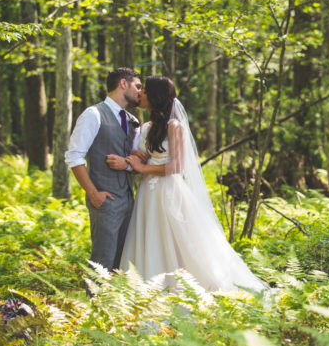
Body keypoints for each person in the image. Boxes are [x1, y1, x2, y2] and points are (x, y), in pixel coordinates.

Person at [118, 76, 266, 294]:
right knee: (151, 237)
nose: (141, 94)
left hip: (168, 190)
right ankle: (148, 289)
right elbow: (153, 156)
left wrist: (142, 169)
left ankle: (185, 286)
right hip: (147, 194)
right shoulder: (147, 126)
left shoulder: (174, 126)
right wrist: (138, 156)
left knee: (180, 240)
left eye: (146, 91)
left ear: (157, 97)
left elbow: (176, 166)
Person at [65, 68, 143, 280]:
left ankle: (114, 309)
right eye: (137, 86)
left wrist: (127, 165)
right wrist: (93, 193)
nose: (140, 92)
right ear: (123, 84)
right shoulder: (93, 114)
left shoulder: (132, 120)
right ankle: (95, 307)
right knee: (102, 260)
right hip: (105, 199)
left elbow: (137, 160)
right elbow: (74, 156)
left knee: (122, 262)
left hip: (129, 199)